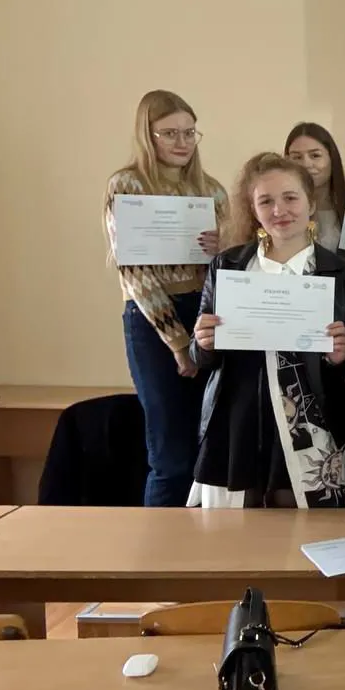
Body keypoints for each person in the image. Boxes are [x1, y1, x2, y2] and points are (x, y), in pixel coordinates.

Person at [188, 153, 345, 508]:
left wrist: (343, 356)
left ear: (310, 203)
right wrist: (203, 342)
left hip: (312, 422)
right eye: (266, 201)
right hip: (238, 420)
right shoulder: (229, 265)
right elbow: (201, 357)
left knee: (306, 527)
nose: (279, 210)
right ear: (253, 210)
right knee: (233, 529)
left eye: (290, 198)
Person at [103, 89, 228, 507]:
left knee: (210, 451)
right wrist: (178, 343)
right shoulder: (127, 185)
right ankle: (161, 543)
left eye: (190, 132)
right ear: (147, 134)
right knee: (170, 455)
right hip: (153, 319)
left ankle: (206, 542)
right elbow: (135, 274)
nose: (182, 142)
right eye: (170, 133)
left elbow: (232, 269)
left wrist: (225, 247)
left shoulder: (212, 190)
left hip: (207, 314)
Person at [285, 122, 345, 252]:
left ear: (332, 158)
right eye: (297, 157)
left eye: (315, 156)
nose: (306, 164)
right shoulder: (278, 211)